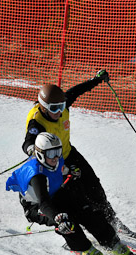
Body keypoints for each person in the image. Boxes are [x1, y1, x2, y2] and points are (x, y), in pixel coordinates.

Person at [21, 69, 129, 233]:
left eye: (61, 106)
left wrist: (96, 80)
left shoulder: (61, 107)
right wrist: (31, 150)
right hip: (53, 162)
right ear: (43, 108)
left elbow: (76, 91)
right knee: (74, 195)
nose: (59, 112)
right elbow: (28, 141)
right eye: (54, 108)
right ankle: (79, 228)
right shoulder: (37, 121)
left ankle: (111, 220)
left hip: (69, 153)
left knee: (94, 187)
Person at [7, 132, 132, 255]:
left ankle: (110, 240)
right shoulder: (36, 175)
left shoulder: (55, 160)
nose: (55, 157)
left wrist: (72, 171)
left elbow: (62, 169)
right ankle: (83, 247)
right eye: (50, 154)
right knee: (66, 221)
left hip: (54, 194)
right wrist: (57, 217)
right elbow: (44, 203)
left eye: (58, 152)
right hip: (36, 206)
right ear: (40, 154)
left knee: (85, 209)